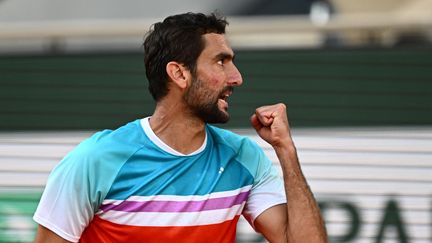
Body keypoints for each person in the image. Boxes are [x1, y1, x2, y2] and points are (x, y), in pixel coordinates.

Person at [33, 12, 327, 243]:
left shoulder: (244, 158)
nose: (236, 78)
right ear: (179, 73)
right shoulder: (95, 161)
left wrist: (286, 151)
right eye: (221, 62)